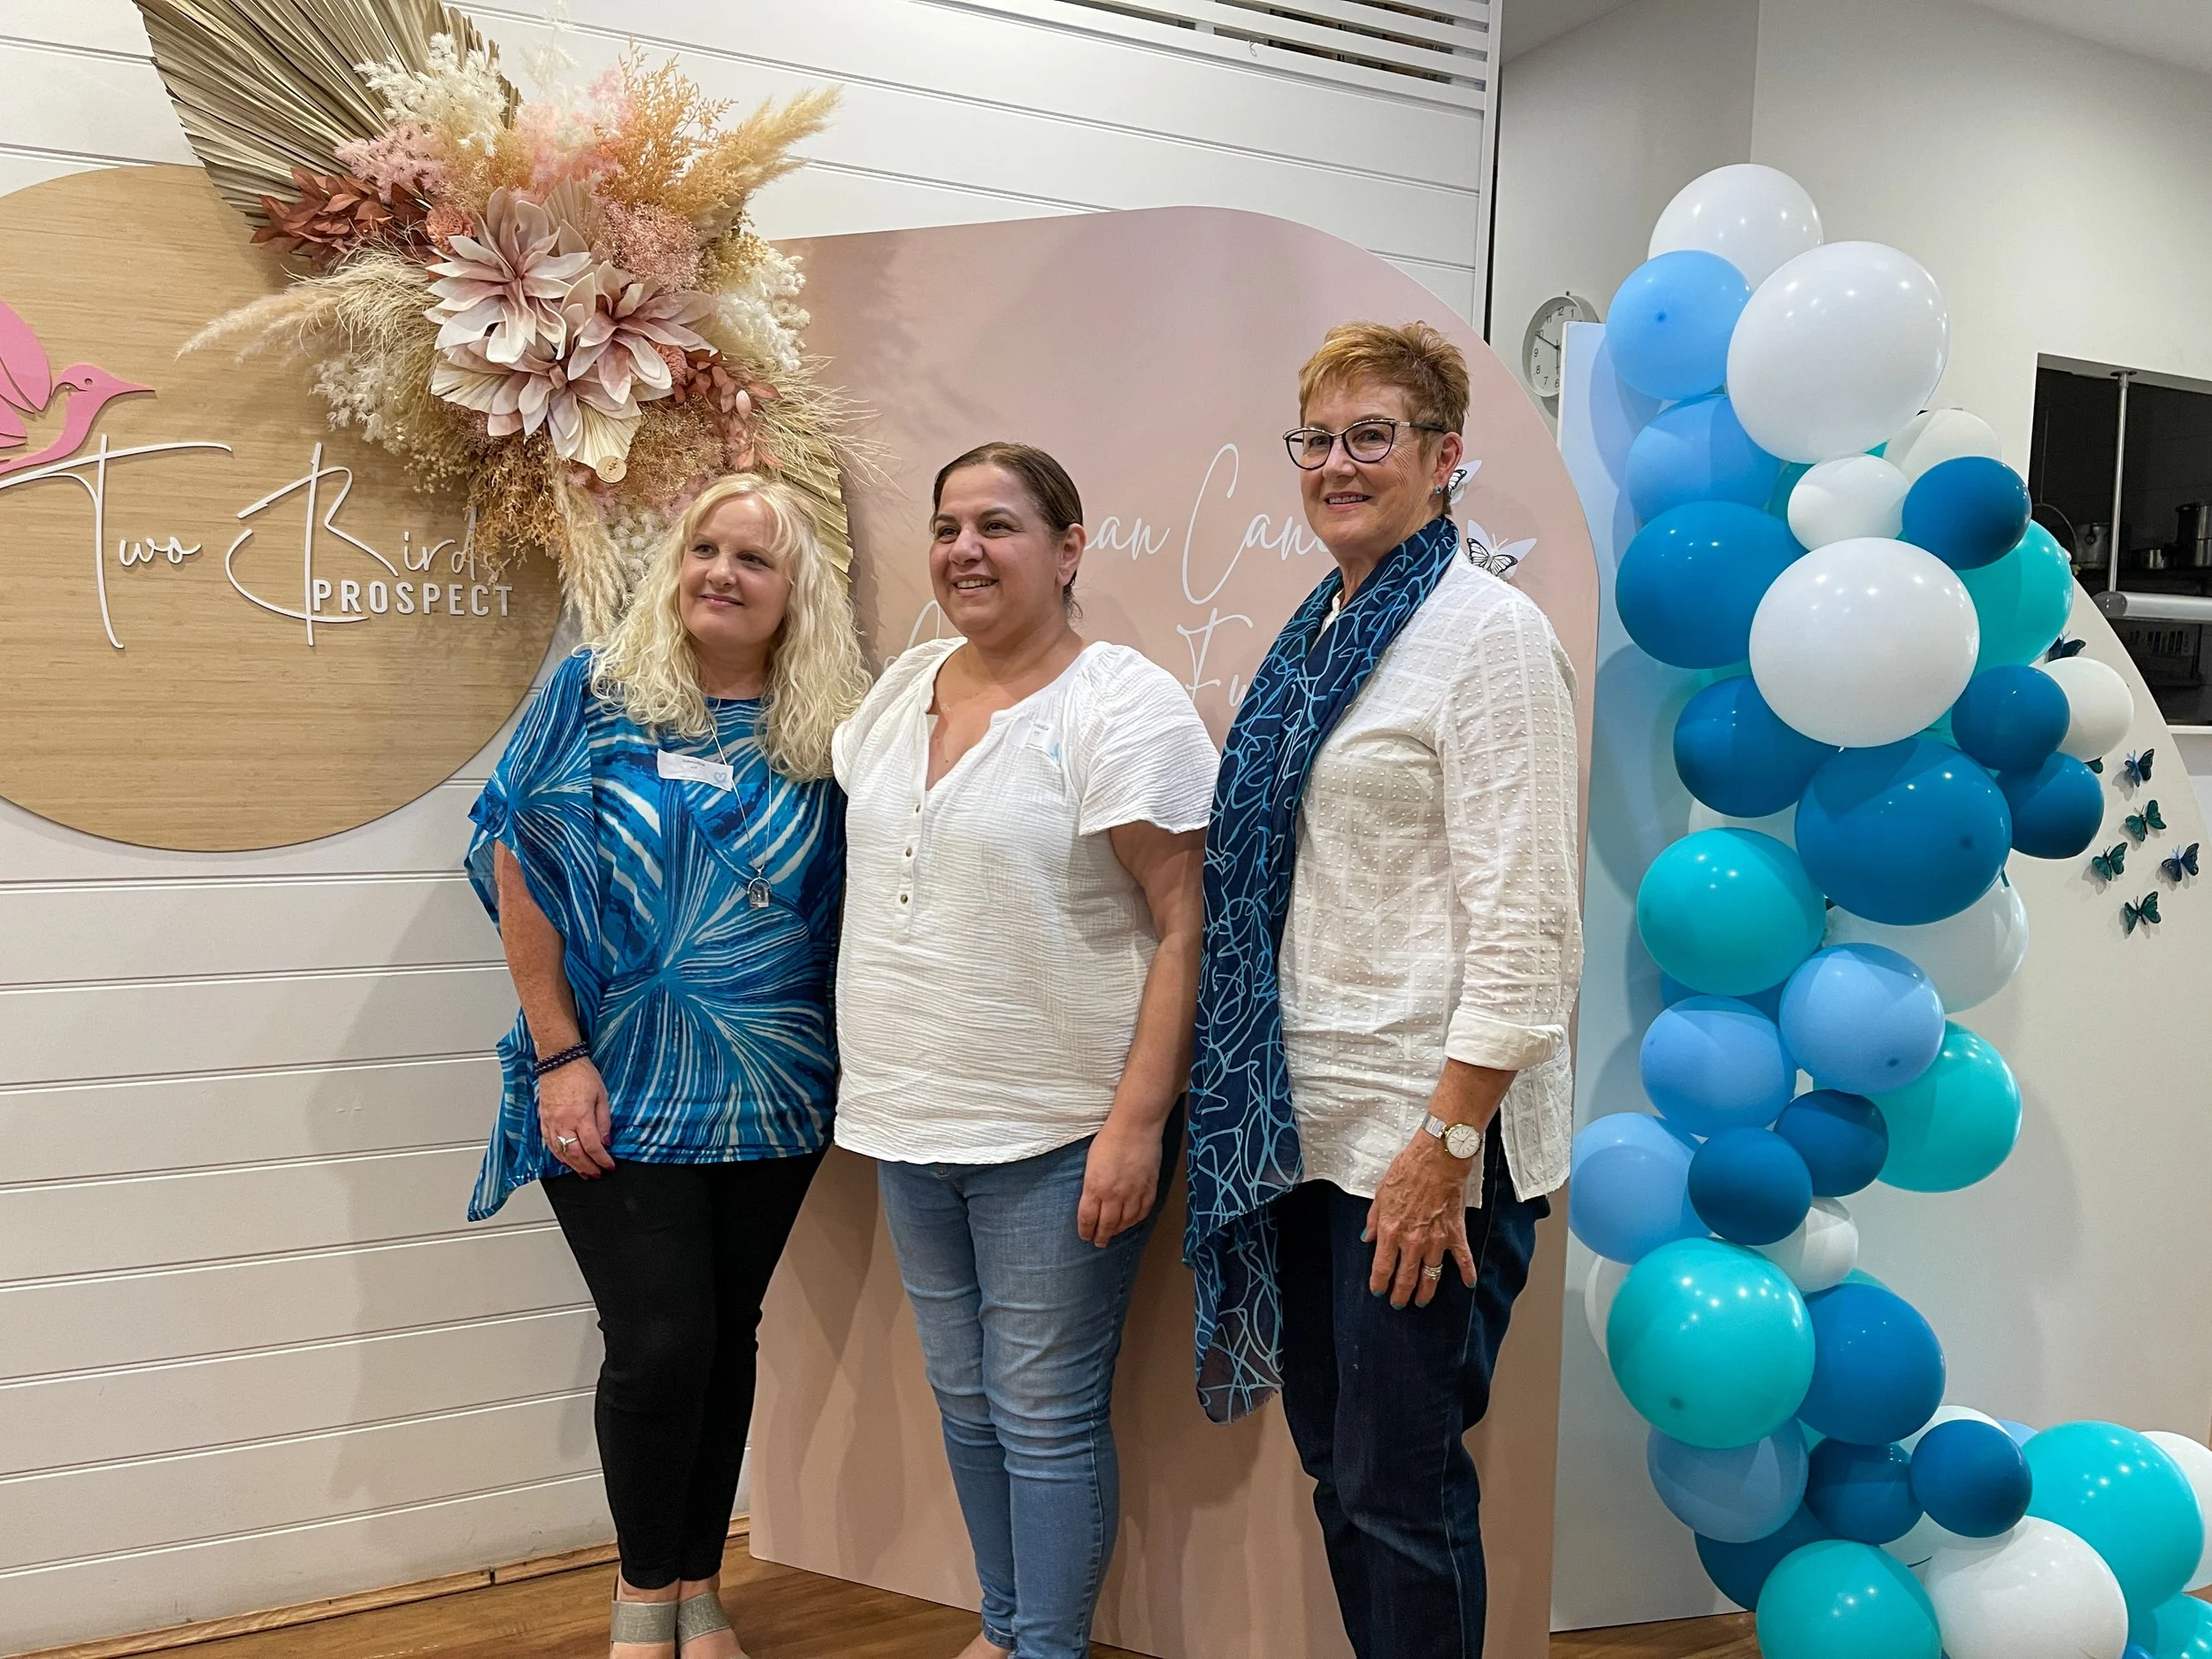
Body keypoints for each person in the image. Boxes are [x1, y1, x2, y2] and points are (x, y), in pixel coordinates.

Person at [1186, 323, 1582, 1658]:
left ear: (1445, 458)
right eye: (1319, 439)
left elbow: (1529, 928)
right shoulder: (1318, 635)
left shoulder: (1487, 635)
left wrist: (1448, 1146)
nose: (1340, 464)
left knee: (1401, 1493)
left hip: (1426, 1146)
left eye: (1374, 437)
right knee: (1340, 1474)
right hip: (1309, 1130)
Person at [465, 473, 870, 1659]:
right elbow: (519, 863)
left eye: (755, 558)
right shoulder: (596, 698)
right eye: (706, 547)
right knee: (657, 1341)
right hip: (610, 1079)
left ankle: (701, 1584)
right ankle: (645, 1598)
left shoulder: (828, 733)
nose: (722, 573)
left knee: (724, 1333)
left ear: (798, 595)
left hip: (776, 1089)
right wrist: (557, 1052)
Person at [831, 442, 1217, 1659]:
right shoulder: (905, 689)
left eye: (997, 524)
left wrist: (1136, 1123)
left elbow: (1184, 920)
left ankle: (1043, 1646)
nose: (965, 549)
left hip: (1056, 1132)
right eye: (948, 526)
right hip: (904, 1113)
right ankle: (1003, 1632)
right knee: (967, 1403)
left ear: (1068, 547)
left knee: (1044, 1416)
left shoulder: (1120, 702)